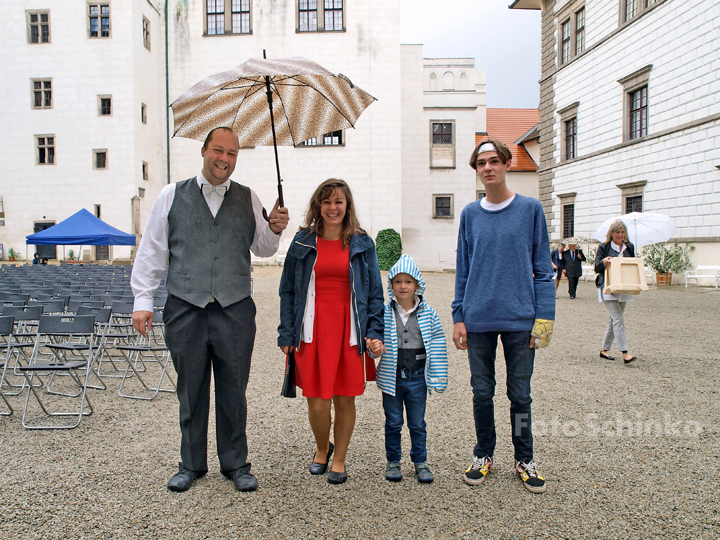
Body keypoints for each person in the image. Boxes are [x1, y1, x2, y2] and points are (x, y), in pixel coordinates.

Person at [131, 126, 289, 493]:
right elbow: (152, 250)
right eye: (219, 151)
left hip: (234, 309)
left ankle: (236, 463)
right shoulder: (171, 195)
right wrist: (142, 300)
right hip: (185, 307)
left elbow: (263, 249)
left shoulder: (249, 197)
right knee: (191, 389)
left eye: (232, 153)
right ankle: (191, 463)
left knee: (234, 389)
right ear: (204, 151)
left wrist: (276, 229)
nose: (225, 159)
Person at [452, 139, 555, 494]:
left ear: (507, 164)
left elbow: (543, 269)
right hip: (478, 317)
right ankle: (483, 453)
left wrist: (545, 318)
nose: (488, 168)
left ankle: (525, 458)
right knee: (482, 393)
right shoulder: (469, 214)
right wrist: (458, 316)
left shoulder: (530, 210)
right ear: (476, 170)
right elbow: (463, 269)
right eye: (481, 163)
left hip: (520, 319)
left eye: (494, 161)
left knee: (520, 395)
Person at [278, 178, 384, 485]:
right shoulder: (302, 241)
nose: (332, 207)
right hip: (312, 328)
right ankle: (322, 448)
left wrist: (374, 330)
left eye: (338, 201)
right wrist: (286, 334)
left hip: (348, 329)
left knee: (344, 398)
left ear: (347, 205)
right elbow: (287, 290)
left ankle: (339, 459)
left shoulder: (362, 243)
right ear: (318, 206)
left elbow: (375, 293)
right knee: (317, 401)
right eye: (326, 202)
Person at [376, 254, 448, 483]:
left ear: (417, 284)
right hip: (391, 376)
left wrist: (437, 376)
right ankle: (393, 461)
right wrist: (374, 347)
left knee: (417, 423)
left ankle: (420, 462)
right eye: (398, 281)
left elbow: (437, 344)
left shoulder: (429, 314)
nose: (403, 286)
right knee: (393, 421)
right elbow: (374, 339)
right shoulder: (384, 313)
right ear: (391, 285)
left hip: (418, 377)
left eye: (408, 282)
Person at [594, 220, 637, 364]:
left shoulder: (629, 247)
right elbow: (597, 267)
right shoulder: (604, 247)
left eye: (623, 232)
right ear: (611, 233)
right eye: (617, 232)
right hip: (608, 287)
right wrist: (604, 262)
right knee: (618, 318)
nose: (620, 235)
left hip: (624, 286)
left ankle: (604, 350)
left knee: (614, 319)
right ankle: (625, 352)